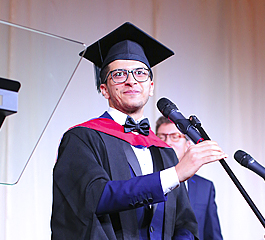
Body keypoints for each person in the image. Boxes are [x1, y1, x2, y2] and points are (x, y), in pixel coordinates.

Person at [51, 22, 227, 240]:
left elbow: (185, 223)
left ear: (151, 87)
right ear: (104, 89)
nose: (131, 80)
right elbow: (96, 197)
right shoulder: (82, 138)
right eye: (119, 75)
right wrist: (175, 174)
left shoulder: (164, 150)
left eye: (140, 73)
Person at [155, 116, 223, 240]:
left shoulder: (205, 187)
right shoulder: (147, 181)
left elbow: (212, 233)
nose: (168, 142)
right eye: (162, 137)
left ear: (188, 144)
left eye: (174, 136)